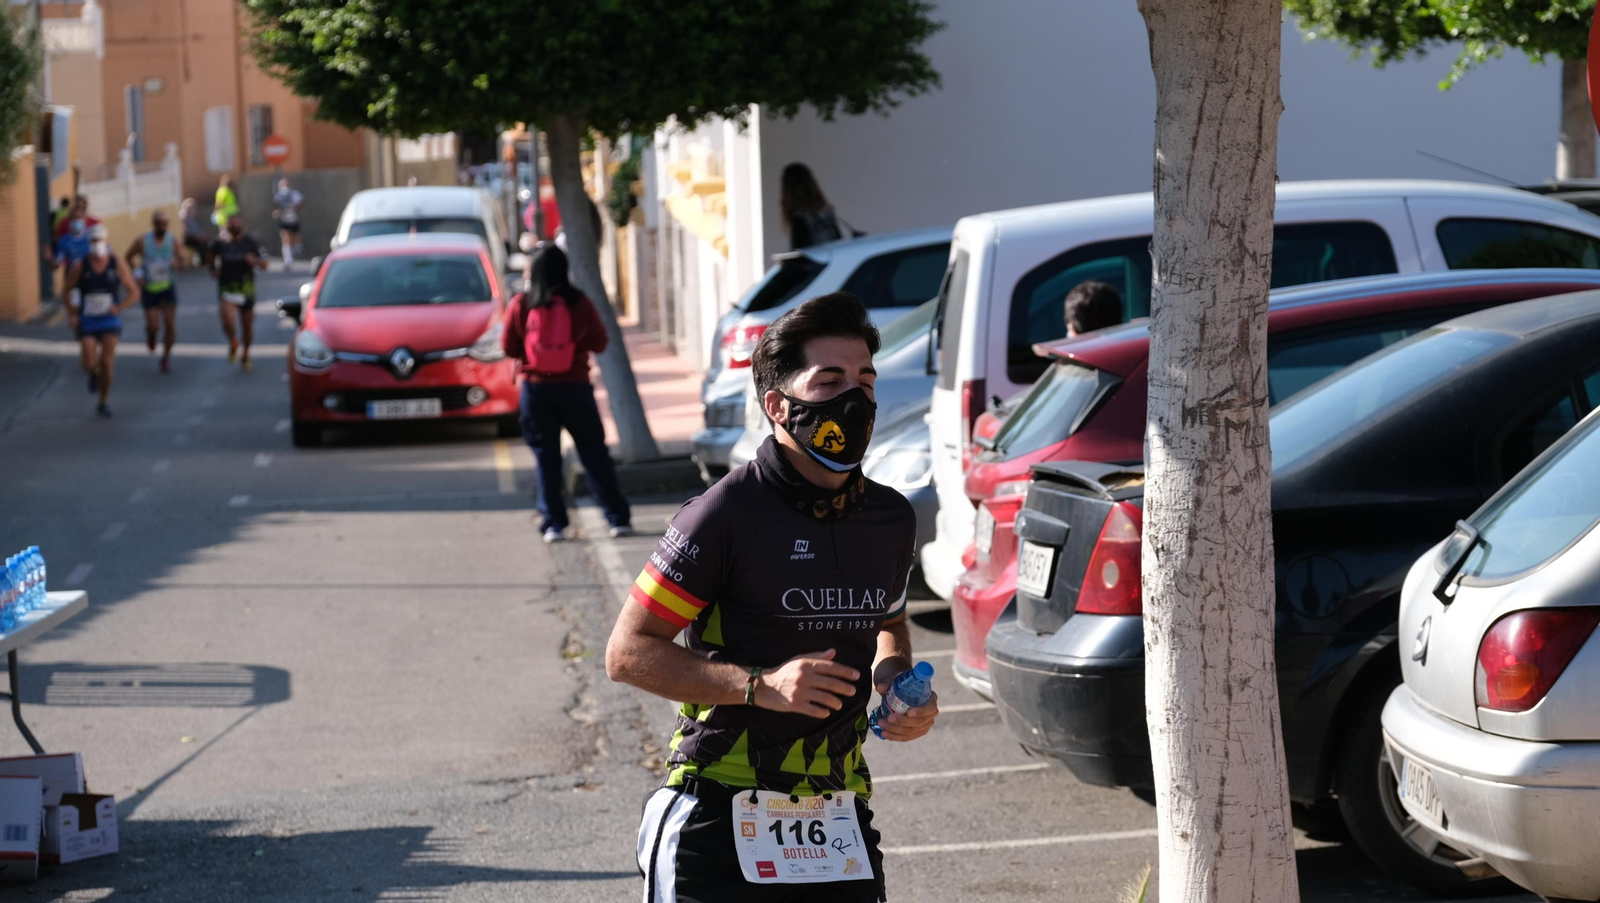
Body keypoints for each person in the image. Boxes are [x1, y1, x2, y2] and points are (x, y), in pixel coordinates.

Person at [606, 291, 938, 903]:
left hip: (837, 817)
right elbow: (627, 652)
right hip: (718, 809)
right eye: (830, 380)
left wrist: (897, 682)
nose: (856, 398)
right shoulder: (724, 515)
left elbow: (887, 620)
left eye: (866, 379)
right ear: (778, 405)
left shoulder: (890, 517)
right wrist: (761, 684)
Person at [500, 246, 632, 543]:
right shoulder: (580, 303)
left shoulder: (523, 303)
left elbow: (508, 346)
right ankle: (617, 518)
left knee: (546, 458)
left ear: (534, 272)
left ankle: (553, 524)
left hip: (536, 391)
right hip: (575, 389)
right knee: (594, 455)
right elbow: (600, 342)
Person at [64, 225, 140, 418]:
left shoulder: (117, 264)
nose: (96, 244)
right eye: (93, 241)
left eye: (99, 240)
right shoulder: (80, 265)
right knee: (89, 362)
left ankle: (102, 401)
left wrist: (119, 306)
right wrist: (72, 314)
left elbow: (134, 292)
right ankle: (93, 373)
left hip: (109, 320)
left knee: (107, 362)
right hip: (88, 319)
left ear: (107, 242)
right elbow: (67, 290)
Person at [209, 214, 268, 371]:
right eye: (231, 224)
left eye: (236, 224)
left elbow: (264, 263)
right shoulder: (219, 242)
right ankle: (233, 342)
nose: (234, 227)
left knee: (247, 327)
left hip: (246, 290)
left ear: (242, 225)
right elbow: (210, 255)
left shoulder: (251, 243)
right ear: (227, 226)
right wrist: (213, 269)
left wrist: (254, 261)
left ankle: (246, 354)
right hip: (227, 289)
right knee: (227, 322)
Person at [125, 210, 181, 372]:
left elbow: (181, 260)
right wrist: (137, 273)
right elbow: (128, 257)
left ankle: (166, 357)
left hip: (167, 287)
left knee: (170, 325)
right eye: (159, 223)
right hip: (149, 288)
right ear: (153, 224)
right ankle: (151, 336)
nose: (162, 226)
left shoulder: (172, 241)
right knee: (154, 326)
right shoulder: (143, 241)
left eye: (165, 223)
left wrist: (178, 264)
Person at [781, 163, 848, 250]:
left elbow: (801, 252)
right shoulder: (827, 212)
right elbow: (838, 240)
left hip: (817, 262)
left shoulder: (800, 217)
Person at [271, 178, 304, 267]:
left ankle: (296, 250)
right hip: (284, 220)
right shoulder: (278, 196)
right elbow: (275, 209)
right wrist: (277, 213)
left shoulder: (295, 194)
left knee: (294, 239)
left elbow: (301, 205)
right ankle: (288, 259)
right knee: (286, 237)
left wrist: (293, 208)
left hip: (293, 219)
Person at [178, 198, 210, 268]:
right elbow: (188, 231)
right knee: (201, 244)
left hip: (195, 237)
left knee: (206, 243)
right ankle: (203, 262)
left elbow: (197, 229)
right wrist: (198, 237)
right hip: (189, 238)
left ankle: (205, 261)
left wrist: (201, 236)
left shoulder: (193, 217)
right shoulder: (185, 217)